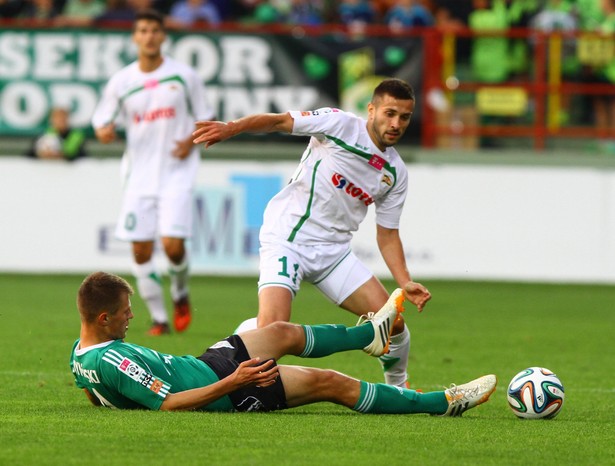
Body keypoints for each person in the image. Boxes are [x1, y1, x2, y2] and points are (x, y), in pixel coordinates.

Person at [192, 78, 431, 389]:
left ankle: (399, 387)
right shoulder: (339, 124)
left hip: (333, 252)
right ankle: (220, 361)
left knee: (394, 323)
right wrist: (232, 127)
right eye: (389, 113)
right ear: (370, 110)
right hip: (288, 237)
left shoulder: (395, 172)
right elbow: (279, 121)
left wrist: (404, 282)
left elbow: (387, 234)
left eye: (404, 117)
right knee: (273, 330)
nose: (396, 123)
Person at [71, 271, 497, 414]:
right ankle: (443, 401)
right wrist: (234, 382)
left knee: (281, 332)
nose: (133, 315)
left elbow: (96, 392)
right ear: (104, 318)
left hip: (206, 364)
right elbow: (166, 405)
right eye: (126, 311)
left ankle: (371, 334)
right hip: (228, 389)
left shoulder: (82, 355)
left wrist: (114, 400)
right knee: (331, 383)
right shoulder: (113, 359)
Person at [91, 9, 215, 335]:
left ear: (163, 36)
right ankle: (159, 319)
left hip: (177, 171)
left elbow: (207, 117)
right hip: (138, 175)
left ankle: (180, 292)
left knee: (173, 247)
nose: (148, 36)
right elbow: (101, 118)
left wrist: (190, 141)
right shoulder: (122, 80)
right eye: (143, 30)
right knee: (140, 250)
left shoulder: (184, 76)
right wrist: (103, 130)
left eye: (154, 31)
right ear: (135, 36)